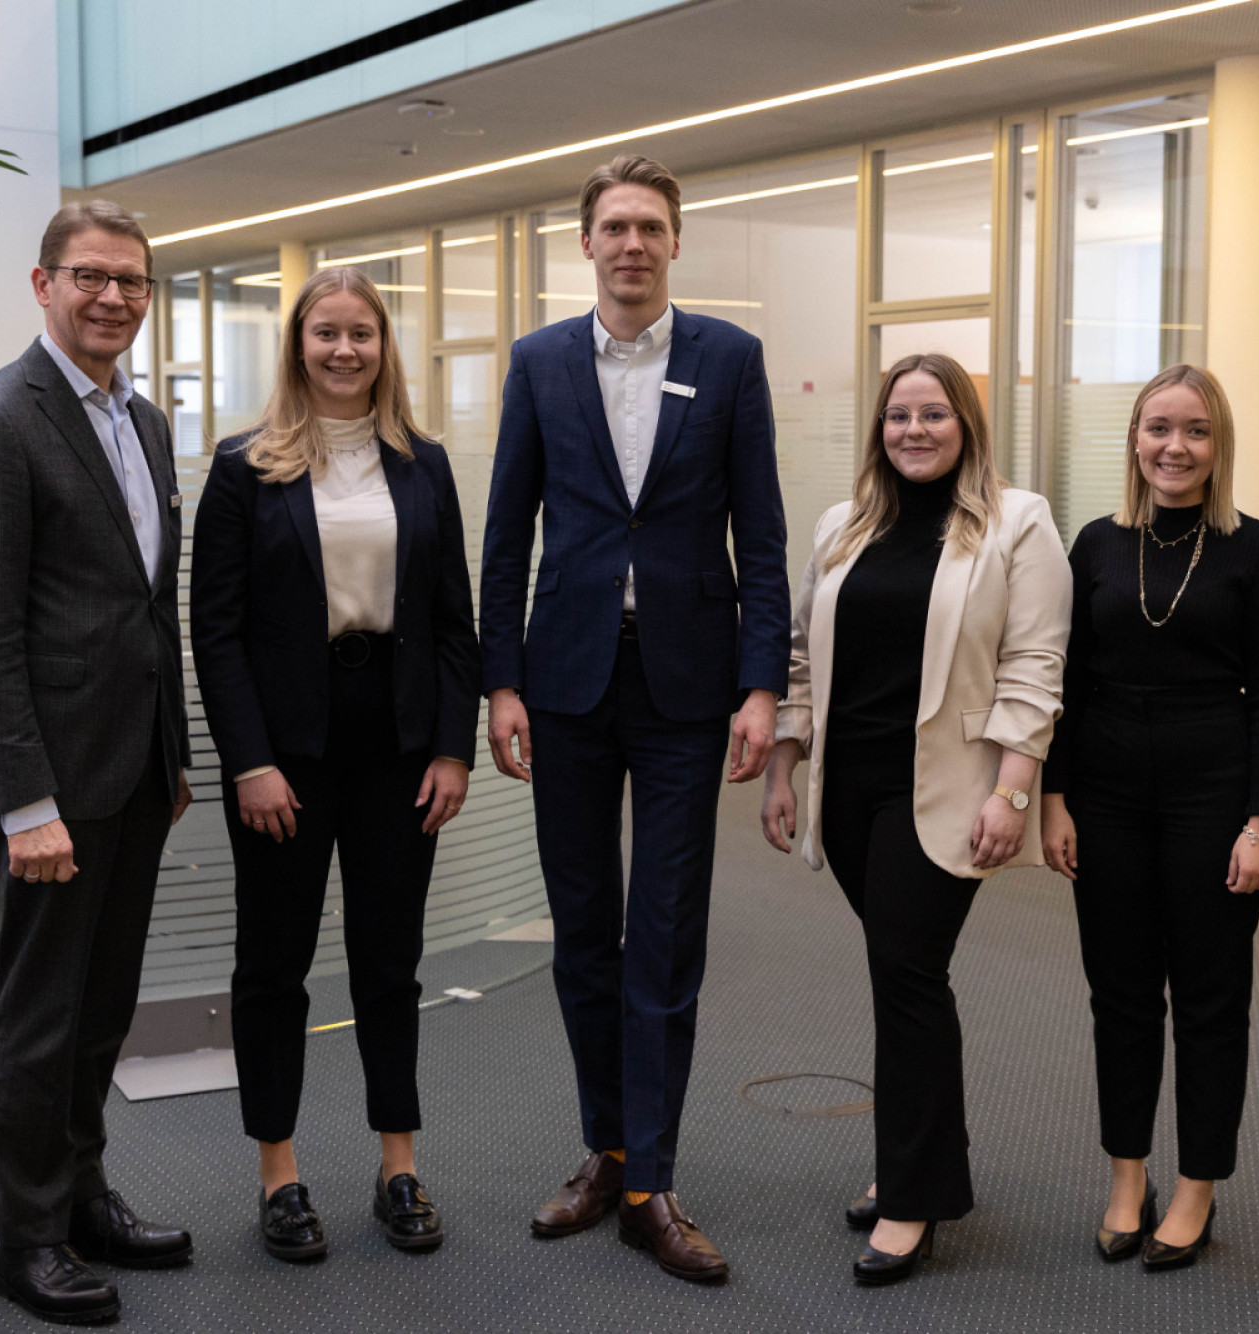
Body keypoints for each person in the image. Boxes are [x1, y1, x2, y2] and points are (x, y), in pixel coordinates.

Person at [478, 153, 790, 1283]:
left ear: (674, 241)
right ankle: (603, 1147)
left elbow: (760, 537)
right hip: (561, 681)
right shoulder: (539, 362)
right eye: (613, 226)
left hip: (683, 690)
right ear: (586, 243)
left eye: (650, 225)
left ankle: (653, 1180)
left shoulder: (729, 360)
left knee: (664, 931)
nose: (631, 244)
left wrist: (763, 686)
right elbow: (506, 532)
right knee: (580, 931)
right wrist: (498, 680)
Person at [0, 201, 194, 1326]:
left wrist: (172, 752)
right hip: (49, 786)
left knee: (103, 1006)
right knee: (41, 1014)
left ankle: (83, 1193)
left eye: (132, 282)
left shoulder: (141, 422)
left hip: (131, 771)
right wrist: (26, 798)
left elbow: (145, 605)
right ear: (42, 285)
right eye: (91, 276)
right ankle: (26, 1235)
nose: (113, 298)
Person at [761, 352, 1072, 1285]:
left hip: (943, 787)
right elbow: (803, 656)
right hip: (850, 786)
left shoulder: (1018, 522)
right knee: (903, 975)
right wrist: (783, 764)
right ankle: (917, 1160)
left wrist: (1013, 792)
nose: (915, 430)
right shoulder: (842, 525)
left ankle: (913, 1198)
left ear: (967, 423)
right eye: (899, 416)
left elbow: (1035, 666)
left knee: (907, 974)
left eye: (935, 414)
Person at [191, 268, 481, 1263]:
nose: (344, 349)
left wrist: (452, 745)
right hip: (287, 750)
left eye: (360, 332)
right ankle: (280, 1171)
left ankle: (397, 1162)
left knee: (388, 959)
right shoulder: (244, 467)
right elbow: (215, 631)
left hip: (396, 741)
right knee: (272, 964)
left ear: (382, 343)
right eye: (326, 333)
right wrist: (249, 761)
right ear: (298, 344)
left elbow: (452, 621)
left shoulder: (422, 463)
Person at [1037, 365, 1259, 1273]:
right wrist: (1055, 800)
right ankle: (1126, 1177)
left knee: (1211, 1003)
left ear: (1218, 445)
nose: (1173, 448)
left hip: (1213, 795)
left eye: (1194, 431)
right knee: (1119, 998)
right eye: (1157, 429)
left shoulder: (1255, 551)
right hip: (1105, 795)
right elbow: (1065, 682)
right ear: (1135, 440)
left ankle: (1197, 1188)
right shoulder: (1097, 544)